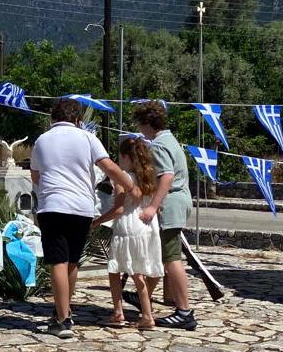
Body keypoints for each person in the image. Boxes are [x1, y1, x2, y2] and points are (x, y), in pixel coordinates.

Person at [30, 99, 135, 339]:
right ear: (79, 120)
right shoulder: (87, 138)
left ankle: (62, 318)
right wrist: (130, 185)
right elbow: (108, 166)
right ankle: (65, 310)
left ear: (52, 118)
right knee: (72, 262)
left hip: (53, 205)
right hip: (81, 207)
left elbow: (35, 175)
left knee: (57, 260)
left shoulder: (42, 140)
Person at [130, 100, 196, 331]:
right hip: (180, 199)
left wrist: (152, 207)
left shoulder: (158, 145)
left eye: (139, 123)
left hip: (171, 203)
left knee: (171, 258)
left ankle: (184, 311)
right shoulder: (170, 139)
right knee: (159, 254)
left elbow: (166, 176)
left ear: (147, 123)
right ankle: (143, 296)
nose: (138, 128)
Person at [92, 136, 163, 331]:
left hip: (128, 226)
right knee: (139, 271)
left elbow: (119, 209)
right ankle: (146, 313)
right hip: (148, 226)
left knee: (116, 271)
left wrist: (97, 221)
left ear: (124, 156)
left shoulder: (122, 178)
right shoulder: (148, 176)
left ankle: (120, 312)